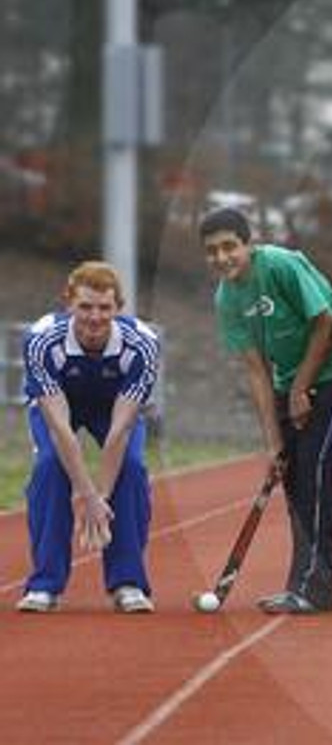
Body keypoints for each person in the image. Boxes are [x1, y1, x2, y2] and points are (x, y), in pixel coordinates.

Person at [199, 206, 332, 614]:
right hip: (289, 386)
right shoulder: (226, 298)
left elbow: (325, 322)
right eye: (212, 251)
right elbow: (256, 371)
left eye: (229, 247)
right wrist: (273, 441)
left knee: (320, 481)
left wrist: (302, 388)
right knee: (296, 485)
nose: (222, 258)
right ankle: (302, 584)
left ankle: (315, 588)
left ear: (248, 243)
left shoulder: (281, 265)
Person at [16, 261, 160, 613]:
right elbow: (61, 429)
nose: (94, 318)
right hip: (59, 407)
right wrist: (85, 493)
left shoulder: (142, 344)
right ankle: (45, 585)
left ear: (118, 308)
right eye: (85, 307)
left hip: (114, 408)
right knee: (50, 466)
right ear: (68, 303)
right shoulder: (41, 340)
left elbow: (120, 430)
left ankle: (127, 583)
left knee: (132, 467)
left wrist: (102, 498)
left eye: (104, 308)